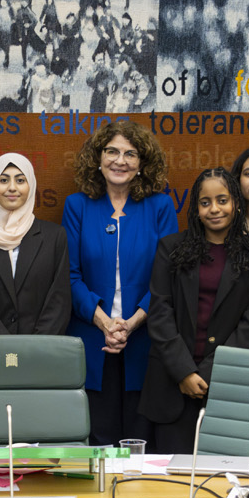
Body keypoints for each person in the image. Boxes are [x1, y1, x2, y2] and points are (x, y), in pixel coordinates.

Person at [140, 168, 249, 453]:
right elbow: (160, 311)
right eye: (205, 202)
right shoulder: (171, 249)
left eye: (222, 200)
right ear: (196, 208)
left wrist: (211, 372)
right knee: (169, 485)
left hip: (229, 387)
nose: (214, 209)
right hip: (171, 385)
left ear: (236, 203)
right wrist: (185, 372)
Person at [63, 119, 178, 446]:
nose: (120, 160)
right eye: (111, 151)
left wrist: (131, 324)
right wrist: (104, 323)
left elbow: (168, 278)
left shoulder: (160, 207)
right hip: (91, 343)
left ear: (142, 163)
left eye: (130, 154)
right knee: (97, 444)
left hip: (145, 343)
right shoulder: (77, 206)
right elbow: (69, 276)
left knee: (140, 446)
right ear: (97, 159)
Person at [0, 152, 71, 336]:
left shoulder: (54, 237)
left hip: (42, 352)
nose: (12, 188)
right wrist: (7, 346)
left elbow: (59, 300)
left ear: (31, 186)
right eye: (3, 180)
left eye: (20, 180)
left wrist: (32, 348)